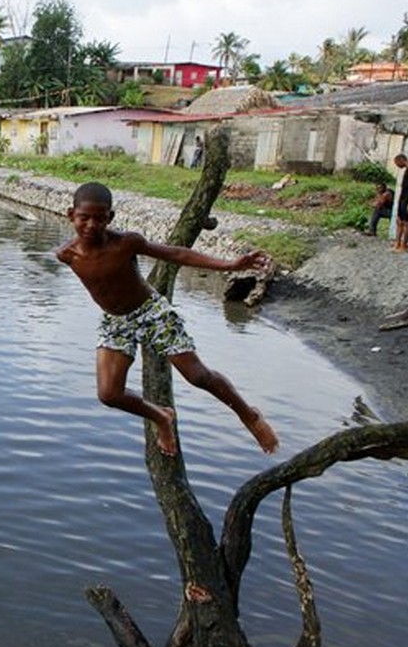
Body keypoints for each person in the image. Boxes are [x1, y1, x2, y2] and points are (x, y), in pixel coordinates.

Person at [55, 182, 279, 457]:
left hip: (151, 313)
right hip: (115, 321)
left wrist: (229, 264)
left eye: (100, 218)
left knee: (198, 376)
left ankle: (249, 415)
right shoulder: (66, 255)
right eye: (84, 218)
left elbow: (177, 253)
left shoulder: (126, 243)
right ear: (70, 215)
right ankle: (161, 417)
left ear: (110, 218)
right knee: (109, 394)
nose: (91, 225)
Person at [392, 154, 408, 252]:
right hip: (403, 199)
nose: (397, 166)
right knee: (399, 221)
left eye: (397, 163)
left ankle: (404, 245)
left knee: (406, 222)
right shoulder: (406, 170)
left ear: (401, 160)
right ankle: (397, 243)